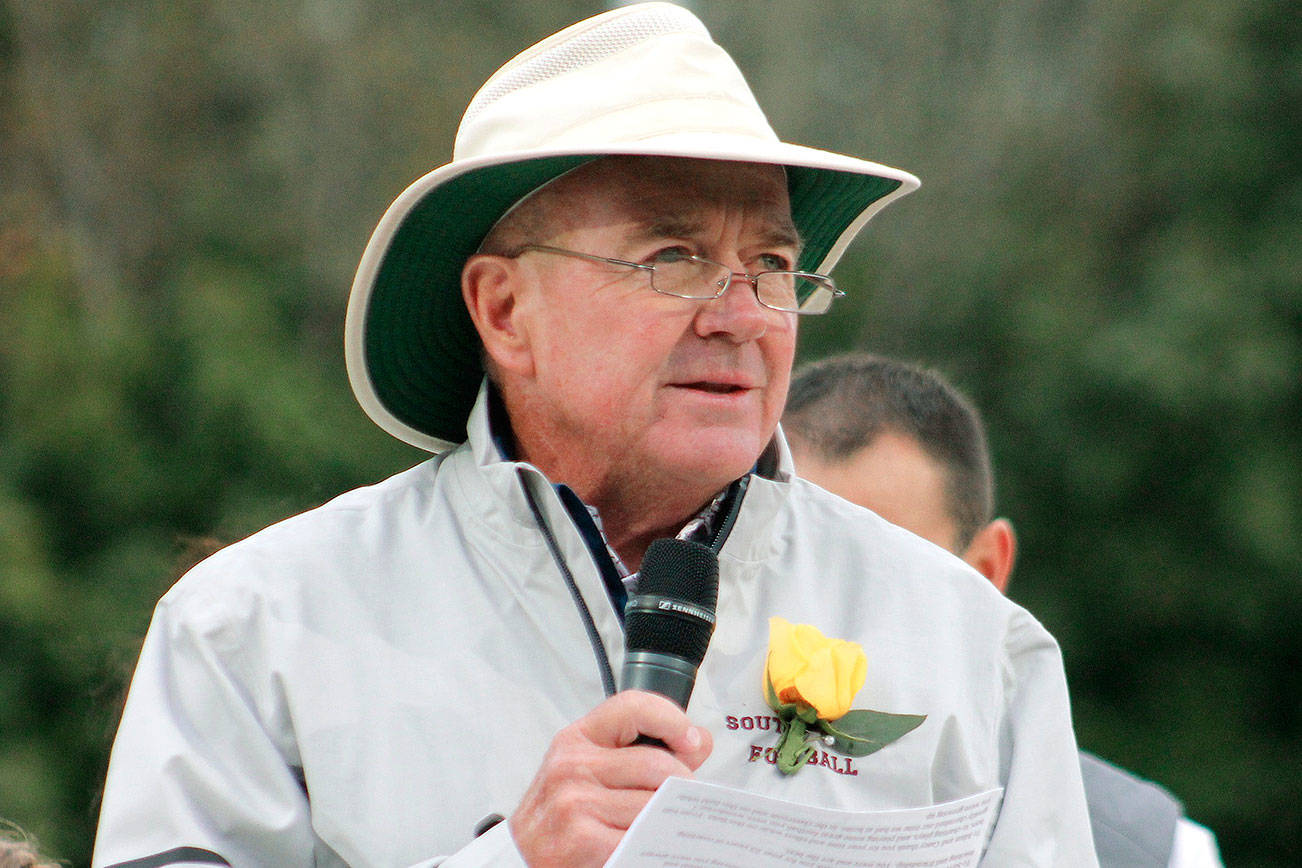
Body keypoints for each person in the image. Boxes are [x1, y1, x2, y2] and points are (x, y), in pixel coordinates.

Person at [93, 5, 1097, 866]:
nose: (743, 314)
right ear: (502, 311)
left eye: (774, 265)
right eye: (674, 256)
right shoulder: (248, 631)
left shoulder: (975, 647)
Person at [784, 352, 1224, 868]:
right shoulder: (680, 772)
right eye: (791, 557)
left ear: (987, 570)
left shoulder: (1150, 851)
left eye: (888, 570)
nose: (827, 611)